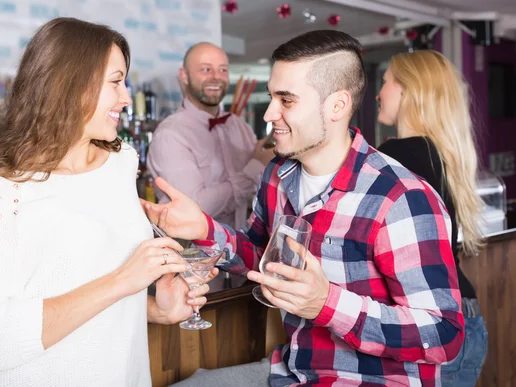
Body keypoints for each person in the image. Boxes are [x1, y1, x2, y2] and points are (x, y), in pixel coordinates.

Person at [143, 30, 464, 386]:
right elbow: (263, 259)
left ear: (337, 105)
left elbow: (443, 335)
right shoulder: (278, 177)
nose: (269, 113)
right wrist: (203, 229)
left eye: (287, 100)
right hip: (295, 371)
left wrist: (326, 302)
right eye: (272, 97)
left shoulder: (400, 197)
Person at [0, 17, 216, 387]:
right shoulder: (2, 193)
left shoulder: (121, 162)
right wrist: (123, 281)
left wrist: (155, 309)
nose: (126, 97)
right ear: (69, 85)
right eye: (116, 81)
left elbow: (89, 286)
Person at [376, 50, 487, 387]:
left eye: (385, 83)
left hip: (433, 331)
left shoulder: (399, 155)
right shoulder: (440, 151)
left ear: (407, 90)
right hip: (466, 320)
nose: (379, 93)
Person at [146, 42, 274, 230]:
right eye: (206, 69)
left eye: (222, 70)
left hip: (240, 247)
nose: (216, 77)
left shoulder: (240, 127)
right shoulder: (170, 135)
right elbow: (195, 208)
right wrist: (254, 169)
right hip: (192, 254)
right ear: (184, 76)